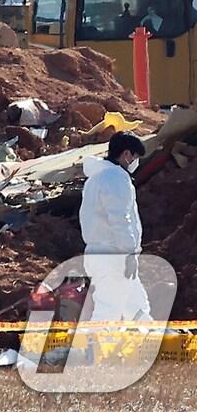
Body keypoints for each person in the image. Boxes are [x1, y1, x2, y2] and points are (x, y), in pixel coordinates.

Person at [80, 132, 152, 323]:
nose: (135, 163)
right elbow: (120, 219)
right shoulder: (115, 177)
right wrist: (129, 252)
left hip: (102, 253)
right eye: (135, 157)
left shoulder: (96, 178)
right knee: (108, 310)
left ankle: (154, 343)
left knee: (136, 307)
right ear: (126, 154)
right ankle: (94, 350)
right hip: (113, 255)